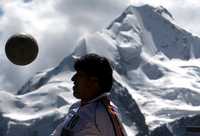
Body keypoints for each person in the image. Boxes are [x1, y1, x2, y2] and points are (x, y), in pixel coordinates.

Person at [50, 53, 127, 136]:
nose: (73, 79)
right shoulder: (76, 108)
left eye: (80, 75)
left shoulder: (102, 112)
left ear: (93, 81)